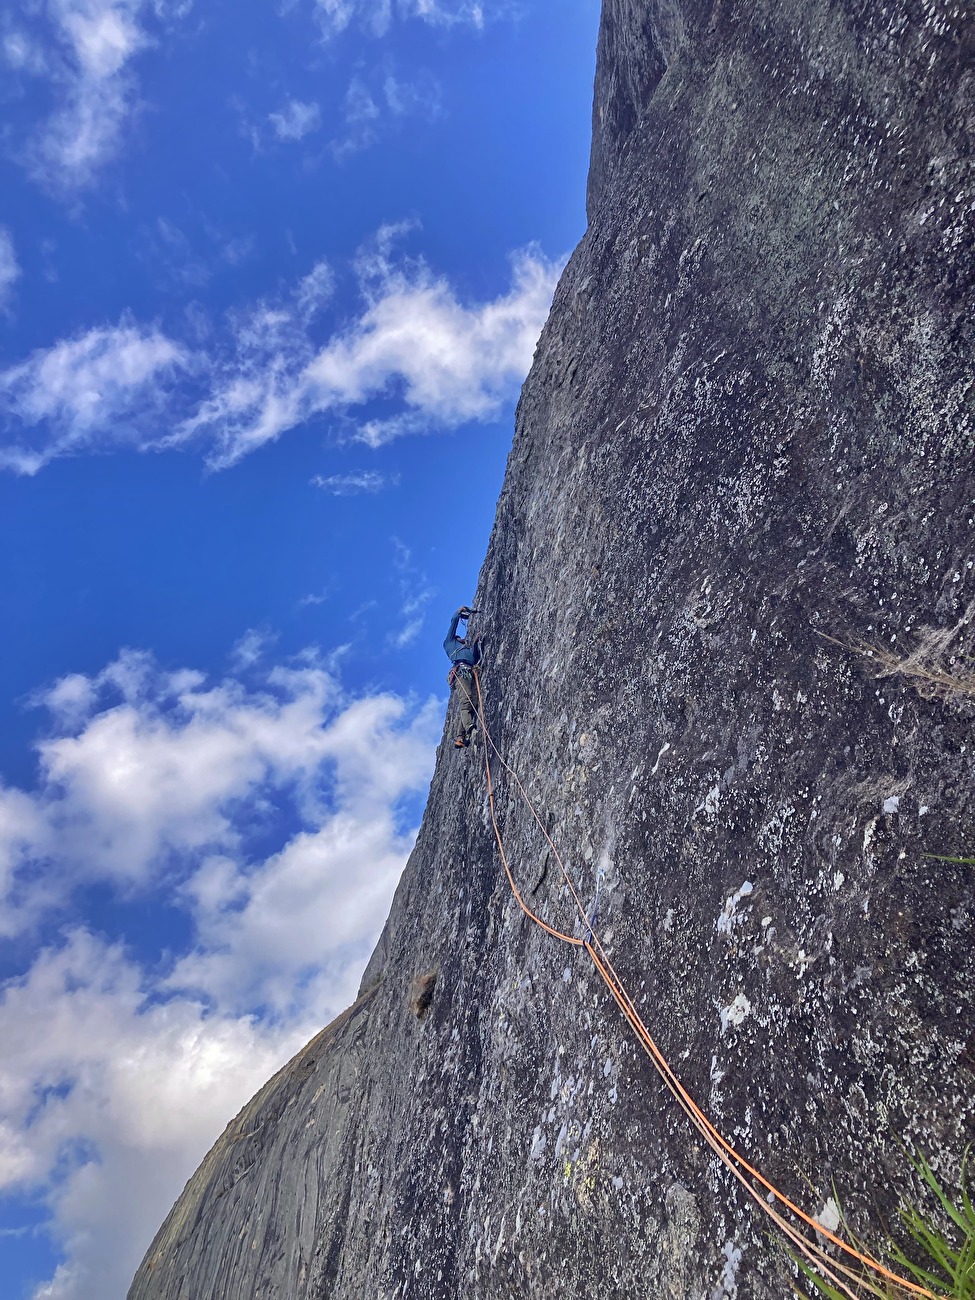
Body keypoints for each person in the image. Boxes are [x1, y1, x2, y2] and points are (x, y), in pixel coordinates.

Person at [444, 606, 481, 748]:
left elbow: (473, 659)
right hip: (461, 672)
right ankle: (470, 728)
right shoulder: (449, 643)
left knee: (473, 702)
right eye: (461, 638)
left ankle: (460, 736)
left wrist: (476, 644)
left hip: (469, 671)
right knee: (466, 701)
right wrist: (459, 611)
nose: (463, 639)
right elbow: (453, 622)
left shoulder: (466, 652)